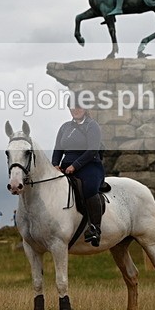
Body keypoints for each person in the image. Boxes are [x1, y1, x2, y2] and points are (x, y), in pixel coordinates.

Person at [51, 96, 105, 247]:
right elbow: (58, 149)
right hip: (66, 166)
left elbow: (92, 150)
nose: (75, 109)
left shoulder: (92, 126)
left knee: (89, 188)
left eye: (79, 106)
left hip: (90, 165)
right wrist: (55, 164)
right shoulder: (64, 127)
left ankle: (95, 228)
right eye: (72, 106)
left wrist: (75, 165)